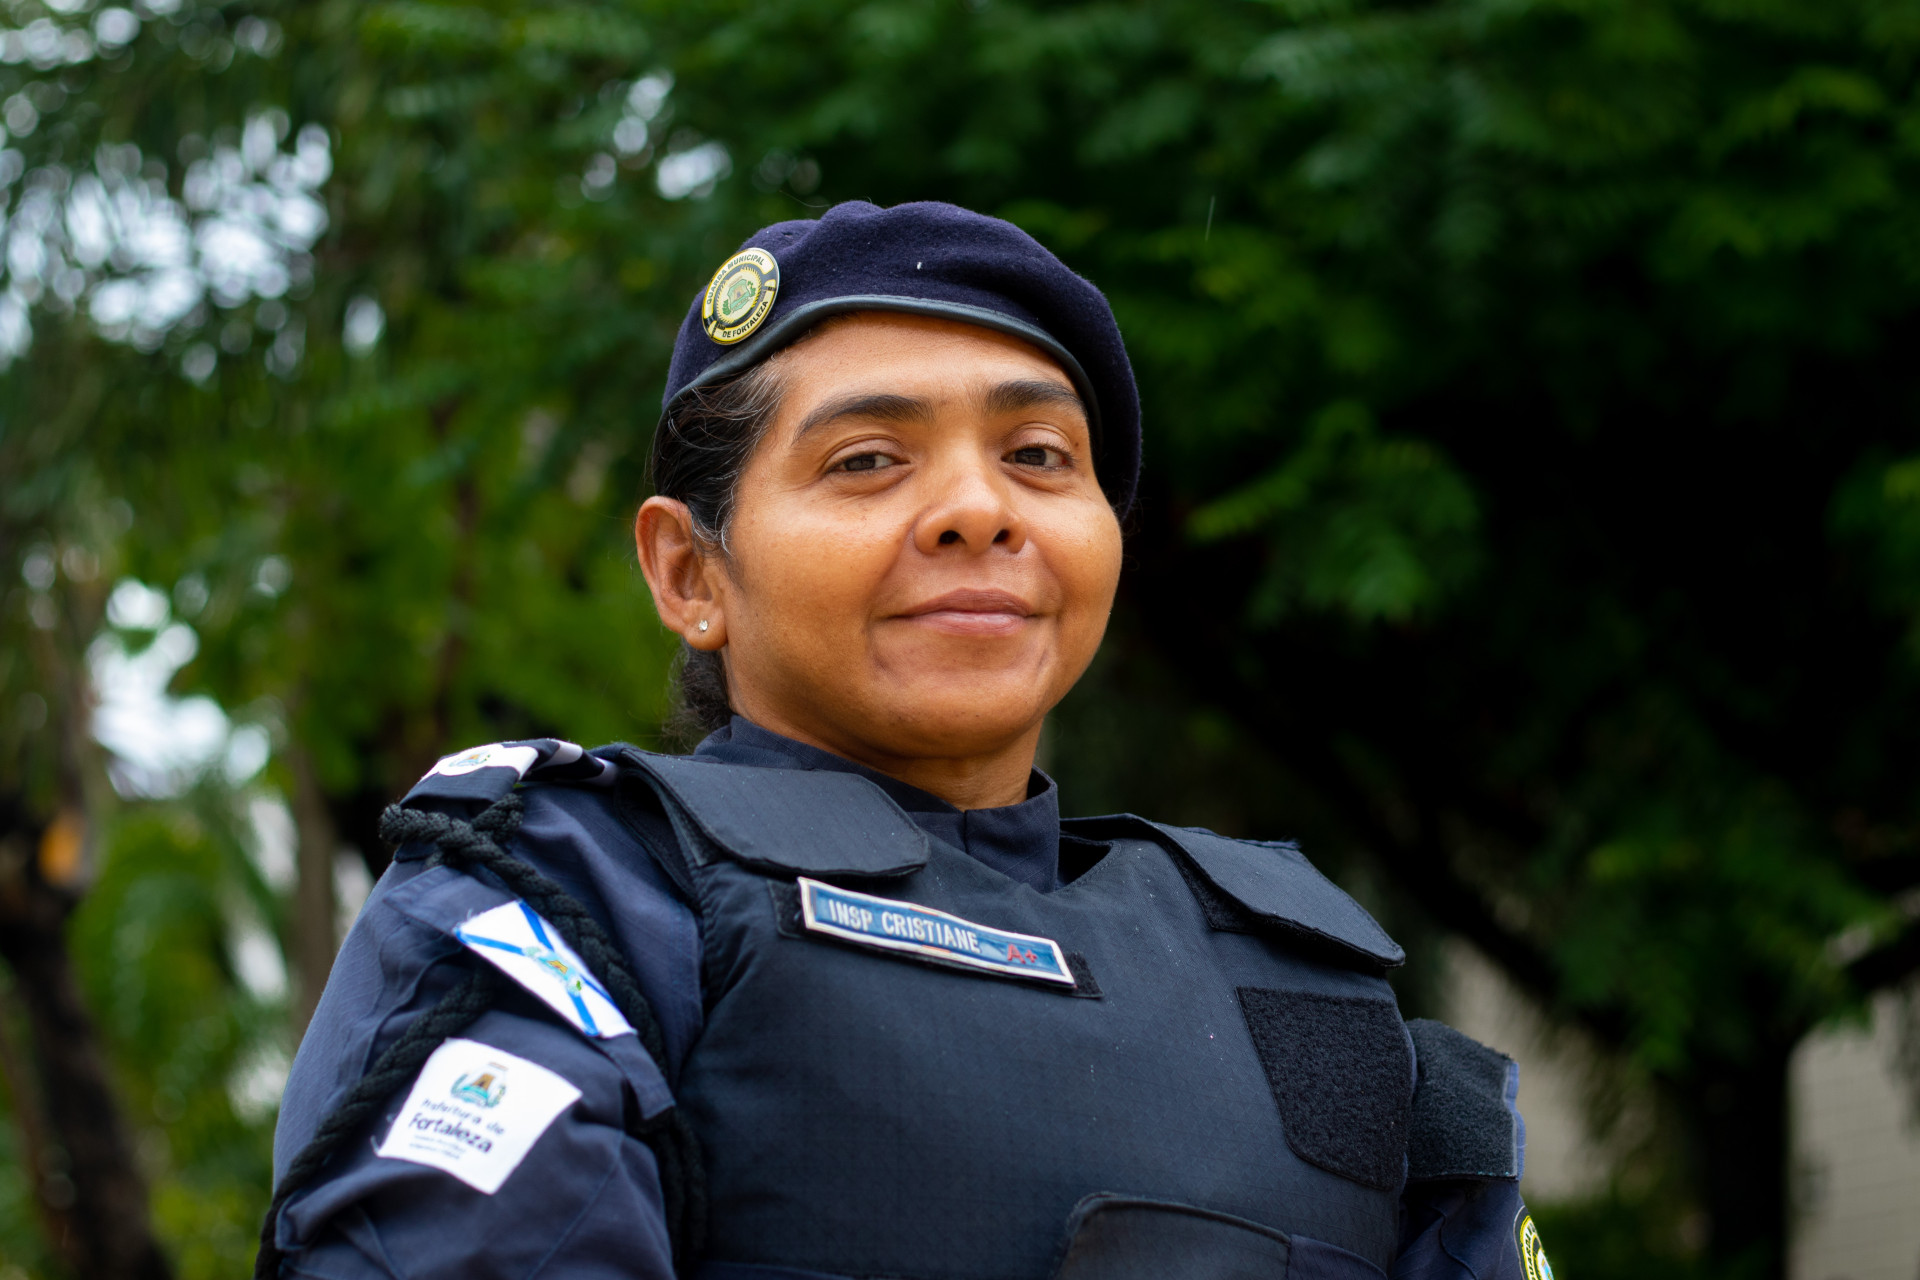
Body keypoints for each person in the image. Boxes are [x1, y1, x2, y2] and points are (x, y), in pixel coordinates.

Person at [260, 201, 1554, 1280]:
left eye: (1041, 455)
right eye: (870, 460)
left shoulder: (1308, 981)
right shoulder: (577, 899)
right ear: (687, 570)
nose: (978, 511)